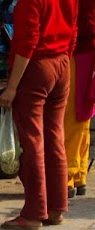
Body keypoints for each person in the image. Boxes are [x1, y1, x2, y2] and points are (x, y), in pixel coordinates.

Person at [0, 0, 79, 229]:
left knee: (32, 141)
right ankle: (56, 208)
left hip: (37, 67)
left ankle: (34, 212)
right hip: (61, 64)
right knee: (55, 138)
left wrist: (12, 87)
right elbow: (73, 30)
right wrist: (63, 60)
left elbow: (27, 42)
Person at [65, 0, 95, 197]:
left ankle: (67, 175)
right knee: (82, 113)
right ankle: (79, 174)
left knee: (70, 115)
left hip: (78, 50)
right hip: (87, 50)